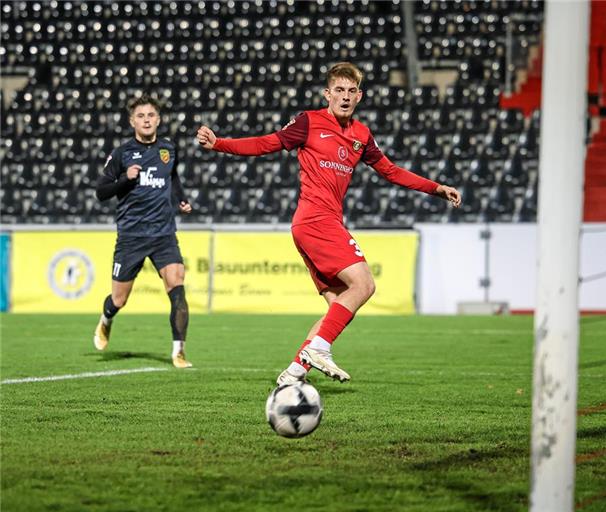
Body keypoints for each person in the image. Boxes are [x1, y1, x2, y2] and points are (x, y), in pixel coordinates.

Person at [196, 62, 462, 385]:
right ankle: (320, 348)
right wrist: (220, 143)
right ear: (327, 93)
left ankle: (292, 375)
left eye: (352, 91)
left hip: (319, 224)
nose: (345, 96)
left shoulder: (361, 135)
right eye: (339, 90)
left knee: (336, 308)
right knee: (364, 284)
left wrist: (436, 188)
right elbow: (267, 143)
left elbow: (391, 171)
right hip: (314, 220)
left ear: (360, 96)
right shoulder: (309, 122)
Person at [93, 94, 194, 369]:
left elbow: (172, 178)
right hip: (131, 236)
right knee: (119, 299)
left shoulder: (169, 149)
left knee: (177, 286)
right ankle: (106, 320)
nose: (146, 120)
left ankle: (179, 352)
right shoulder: (122, 153)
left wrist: (180, 199)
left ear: (158, 120)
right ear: (132, 121)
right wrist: (125, 178)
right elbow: (101, 191)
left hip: (164, 234)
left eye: (151, 115)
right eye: (141, 116)